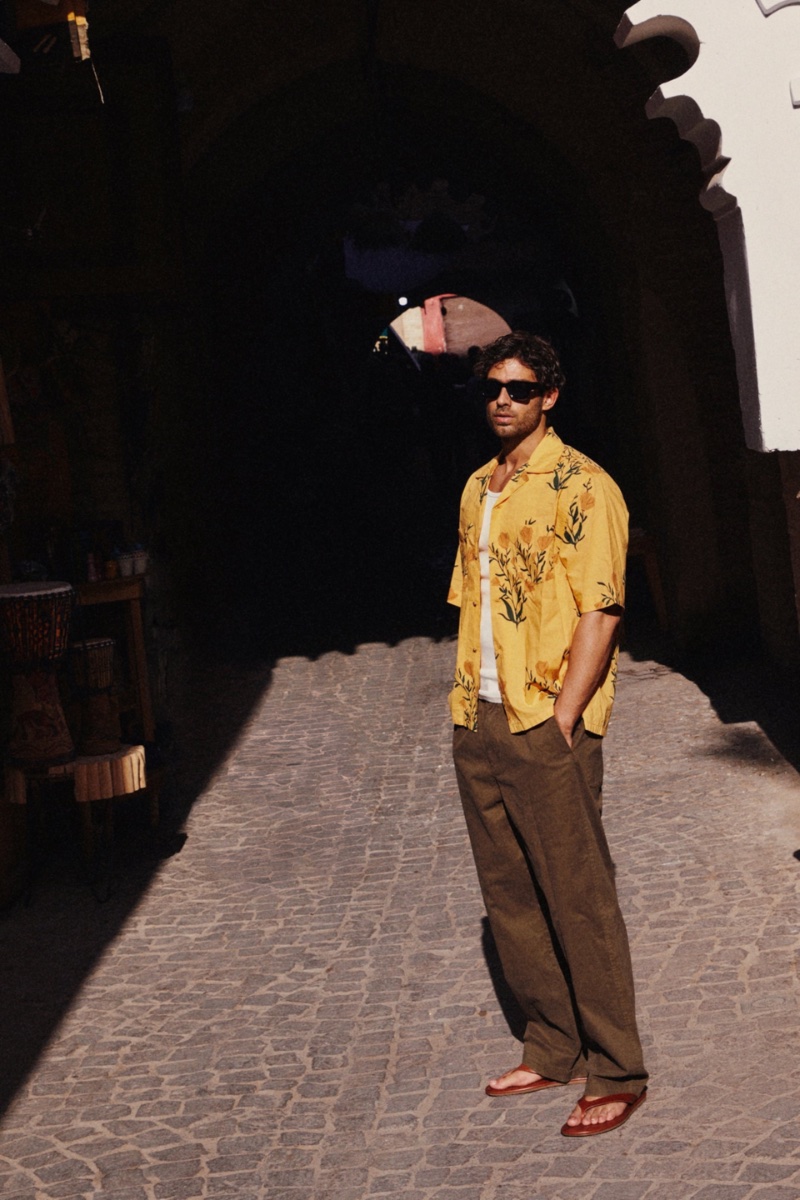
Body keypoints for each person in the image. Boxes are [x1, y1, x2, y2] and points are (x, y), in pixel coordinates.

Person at [448, 330, 648, 1137]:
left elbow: (601, 609)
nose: (503, 400)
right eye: (494, 387)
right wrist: (468, 707)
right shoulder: (477, 487)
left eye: (520, 389)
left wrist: (564, 716)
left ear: (549, 397)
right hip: (480, 716)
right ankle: (553, 1043)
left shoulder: (584, 486)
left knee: (578, 897)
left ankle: (618, 1067)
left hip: (546, 720)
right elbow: (472, 605)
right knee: (511, 895)